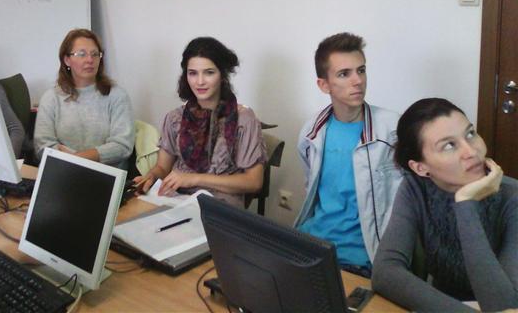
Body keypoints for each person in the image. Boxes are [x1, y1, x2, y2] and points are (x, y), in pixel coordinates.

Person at [372, 98, 518, 312]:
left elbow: (504, 306)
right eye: (449, 145)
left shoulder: (512, 196)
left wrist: (466, 204)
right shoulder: (416, 187)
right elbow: (385, 272)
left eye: (470, 133)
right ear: (420, 168)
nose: (471, 151)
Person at [293, 32, 401, 277]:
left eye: (361, 70)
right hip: (313, 247)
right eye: (344, 74)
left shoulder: (392, 129)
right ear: (324, 85)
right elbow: (312, 191)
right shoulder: (311, 132)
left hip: (363, 258)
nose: (358, 81)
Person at [134, 37, 267, 208]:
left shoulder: (244, 119)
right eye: (193, 73)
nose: (200, 81)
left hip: (219, 208)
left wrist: (195, 179)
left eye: (209, 72)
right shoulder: (175, 118)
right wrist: (151, 176)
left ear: (222, 75)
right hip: (175, 201)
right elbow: (162, 167)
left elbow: (254, 182)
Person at [33, 28, 135, 169]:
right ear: (67, 60)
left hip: (106, 173)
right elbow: (42, 145)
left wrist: (79, 159)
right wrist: (72, 162)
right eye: (81, 54)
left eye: (95, 54)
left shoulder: (117, 96)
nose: (89, 60)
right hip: (63, 171)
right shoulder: (51, 98)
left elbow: (122, 146)